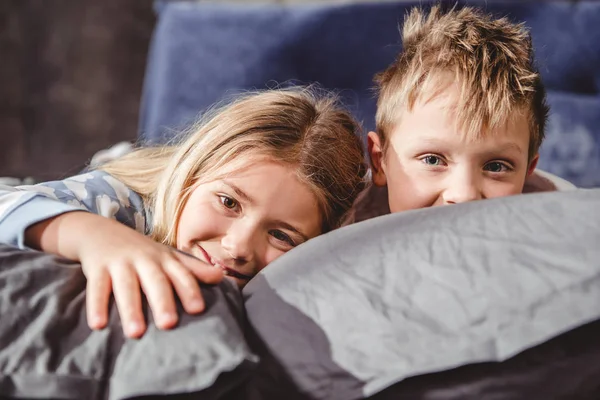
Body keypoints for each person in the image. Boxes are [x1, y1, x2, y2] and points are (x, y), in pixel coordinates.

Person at [0, 86, 368, 338]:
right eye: (228, 202)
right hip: (129, 171)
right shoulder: (122, 203)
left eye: (281, 235)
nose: (238, 246)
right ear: (191, 176)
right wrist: (96, 236)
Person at [357, 4, 575, 221]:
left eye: (496, 166)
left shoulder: (568, 232)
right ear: (379, 162)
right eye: (432, 160)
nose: (464, 195)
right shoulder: (338, 234)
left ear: (527, 171)